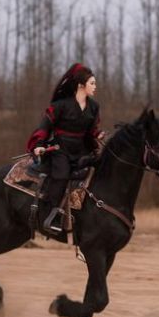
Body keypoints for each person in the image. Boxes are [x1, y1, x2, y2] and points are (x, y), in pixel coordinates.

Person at [26, 63, 104, 231]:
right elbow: (44, 127)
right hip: (60, 150)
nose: (95, 87)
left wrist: (98, 136)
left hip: (83, 151)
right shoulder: (60, 106)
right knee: (61, 176)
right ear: (80, 85)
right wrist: (39, 145)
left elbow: (92, 131)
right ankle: (51, 216)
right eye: (92, 83)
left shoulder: (94, 107)